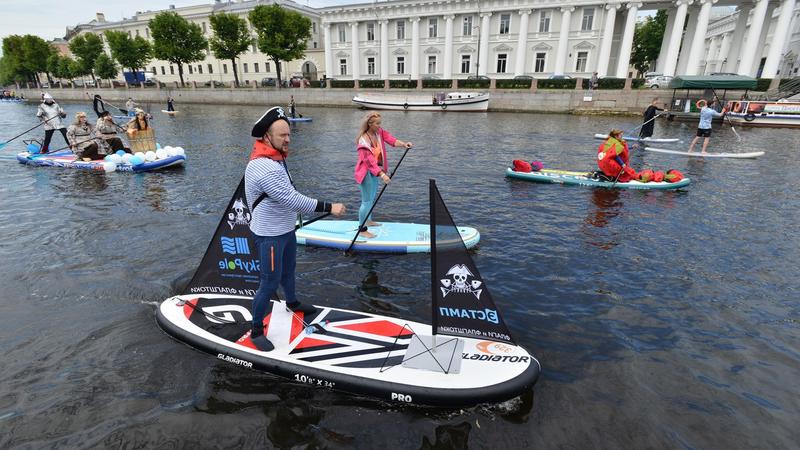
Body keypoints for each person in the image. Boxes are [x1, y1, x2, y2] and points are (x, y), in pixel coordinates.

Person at [244, 106, 346, 351]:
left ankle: (292, 302)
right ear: (267, 136)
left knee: (289, 270)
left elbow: (287, 196)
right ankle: (256, 330)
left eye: (289, 134)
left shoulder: (276, 158)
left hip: (285, 230)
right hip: (269, 235)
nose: (288, 139)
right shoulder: (263, 167)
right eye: (282, 135)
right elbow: (292, 200)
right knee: (269, 283)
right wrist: (329, 207)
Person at [354, 111, 413, 238]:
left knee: (372, 197)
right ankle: (362, 229)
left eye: (380, 123)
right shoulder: (363, 141)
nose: (380, 126)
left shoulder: (379, 132)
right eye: (377, 124)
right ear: (370, 124)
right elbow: (369, 162)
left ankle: (368, 220)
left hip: (376, 171)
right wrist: (382, 175)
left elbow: (390, 139)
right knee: (366, 200)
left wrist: (403, 144)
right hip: (366, 173)